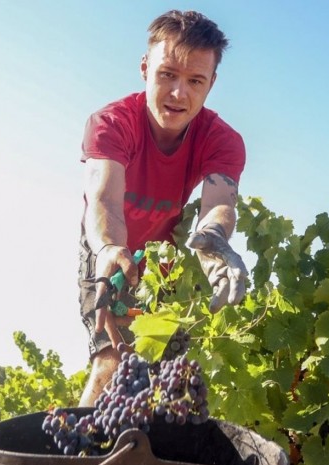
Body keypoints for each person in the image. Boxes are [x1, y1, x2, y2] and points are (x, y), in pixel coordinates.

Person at [77, 10, 247, 406]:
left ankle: (143, 461)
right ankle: (76, 461)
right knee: (113, 358)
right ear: (144, 68)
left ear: (212, 84)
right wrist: (108, 249)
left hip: (165, 259)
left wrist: (214, 244)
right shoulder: (111, 123)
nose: (178, 93)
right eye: (167, 74)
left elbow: (218, 205)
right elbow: (103, 198)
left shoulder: (223, 140)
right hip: (106, 249)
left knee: (168, 374)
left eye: (195, 81)